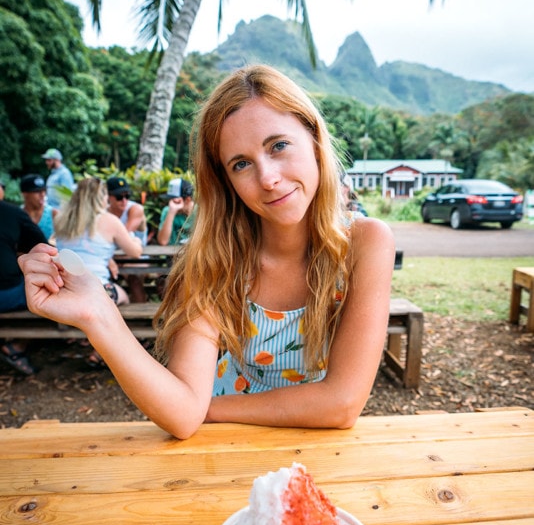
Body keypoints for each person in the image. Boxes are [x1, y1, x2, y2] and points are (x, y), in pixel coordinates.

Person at [19, 64, 395, 439]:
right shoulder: (216, 259)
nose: (267, 178)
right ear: (226, 182)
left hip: (278, 434)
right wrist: (97, 314)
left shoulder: (366, 243)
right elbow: (183, 417)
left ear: (314, 140)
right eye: (241, 164)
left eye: (278, 146)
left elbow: (342, 403)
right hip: (220, 445)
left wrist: (206, 409)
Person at [53, 177, 144, 367]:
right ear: (101, 197)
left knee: (108, 301)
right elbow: (135, 252)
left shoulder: (61, 218)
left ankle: (96, 345)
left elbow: (62, 246)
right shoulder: (109, 220)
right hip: (97, 289)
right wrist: (135, 240)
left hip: (63, 289)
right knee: (124, 297)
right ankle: (102, 352)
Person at [1, 200, 47, 375]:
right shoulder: (11, 212)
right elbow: (40, 245)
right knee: (47, 291)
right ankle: (17, 345)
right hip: (7, 293)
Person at [107, 176, 148, 303]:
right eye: (119, 197)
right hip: (113, 258)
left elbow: (122, 237)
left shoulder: (135, 209)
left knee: (133, 278)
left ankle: (142, 319)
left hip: (137, 258)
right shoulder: (103, 212)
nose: (124, 200)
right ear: (108, 196)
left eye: (127, 195)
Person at [157, 178, 195, 245]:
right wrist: (171, 212)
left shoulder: (200, 211)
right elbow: (163, 241)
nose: (171, 204)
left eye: (175, 201)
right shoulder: (168, 210)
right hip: (171, 254)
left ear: (187, 200)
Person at [20, 174, 57, 240]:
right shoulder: (17, 215)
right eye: (37, 191)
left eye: (44, 190)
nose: (42, 194)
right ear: (24, 194)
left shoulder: (53, 214)